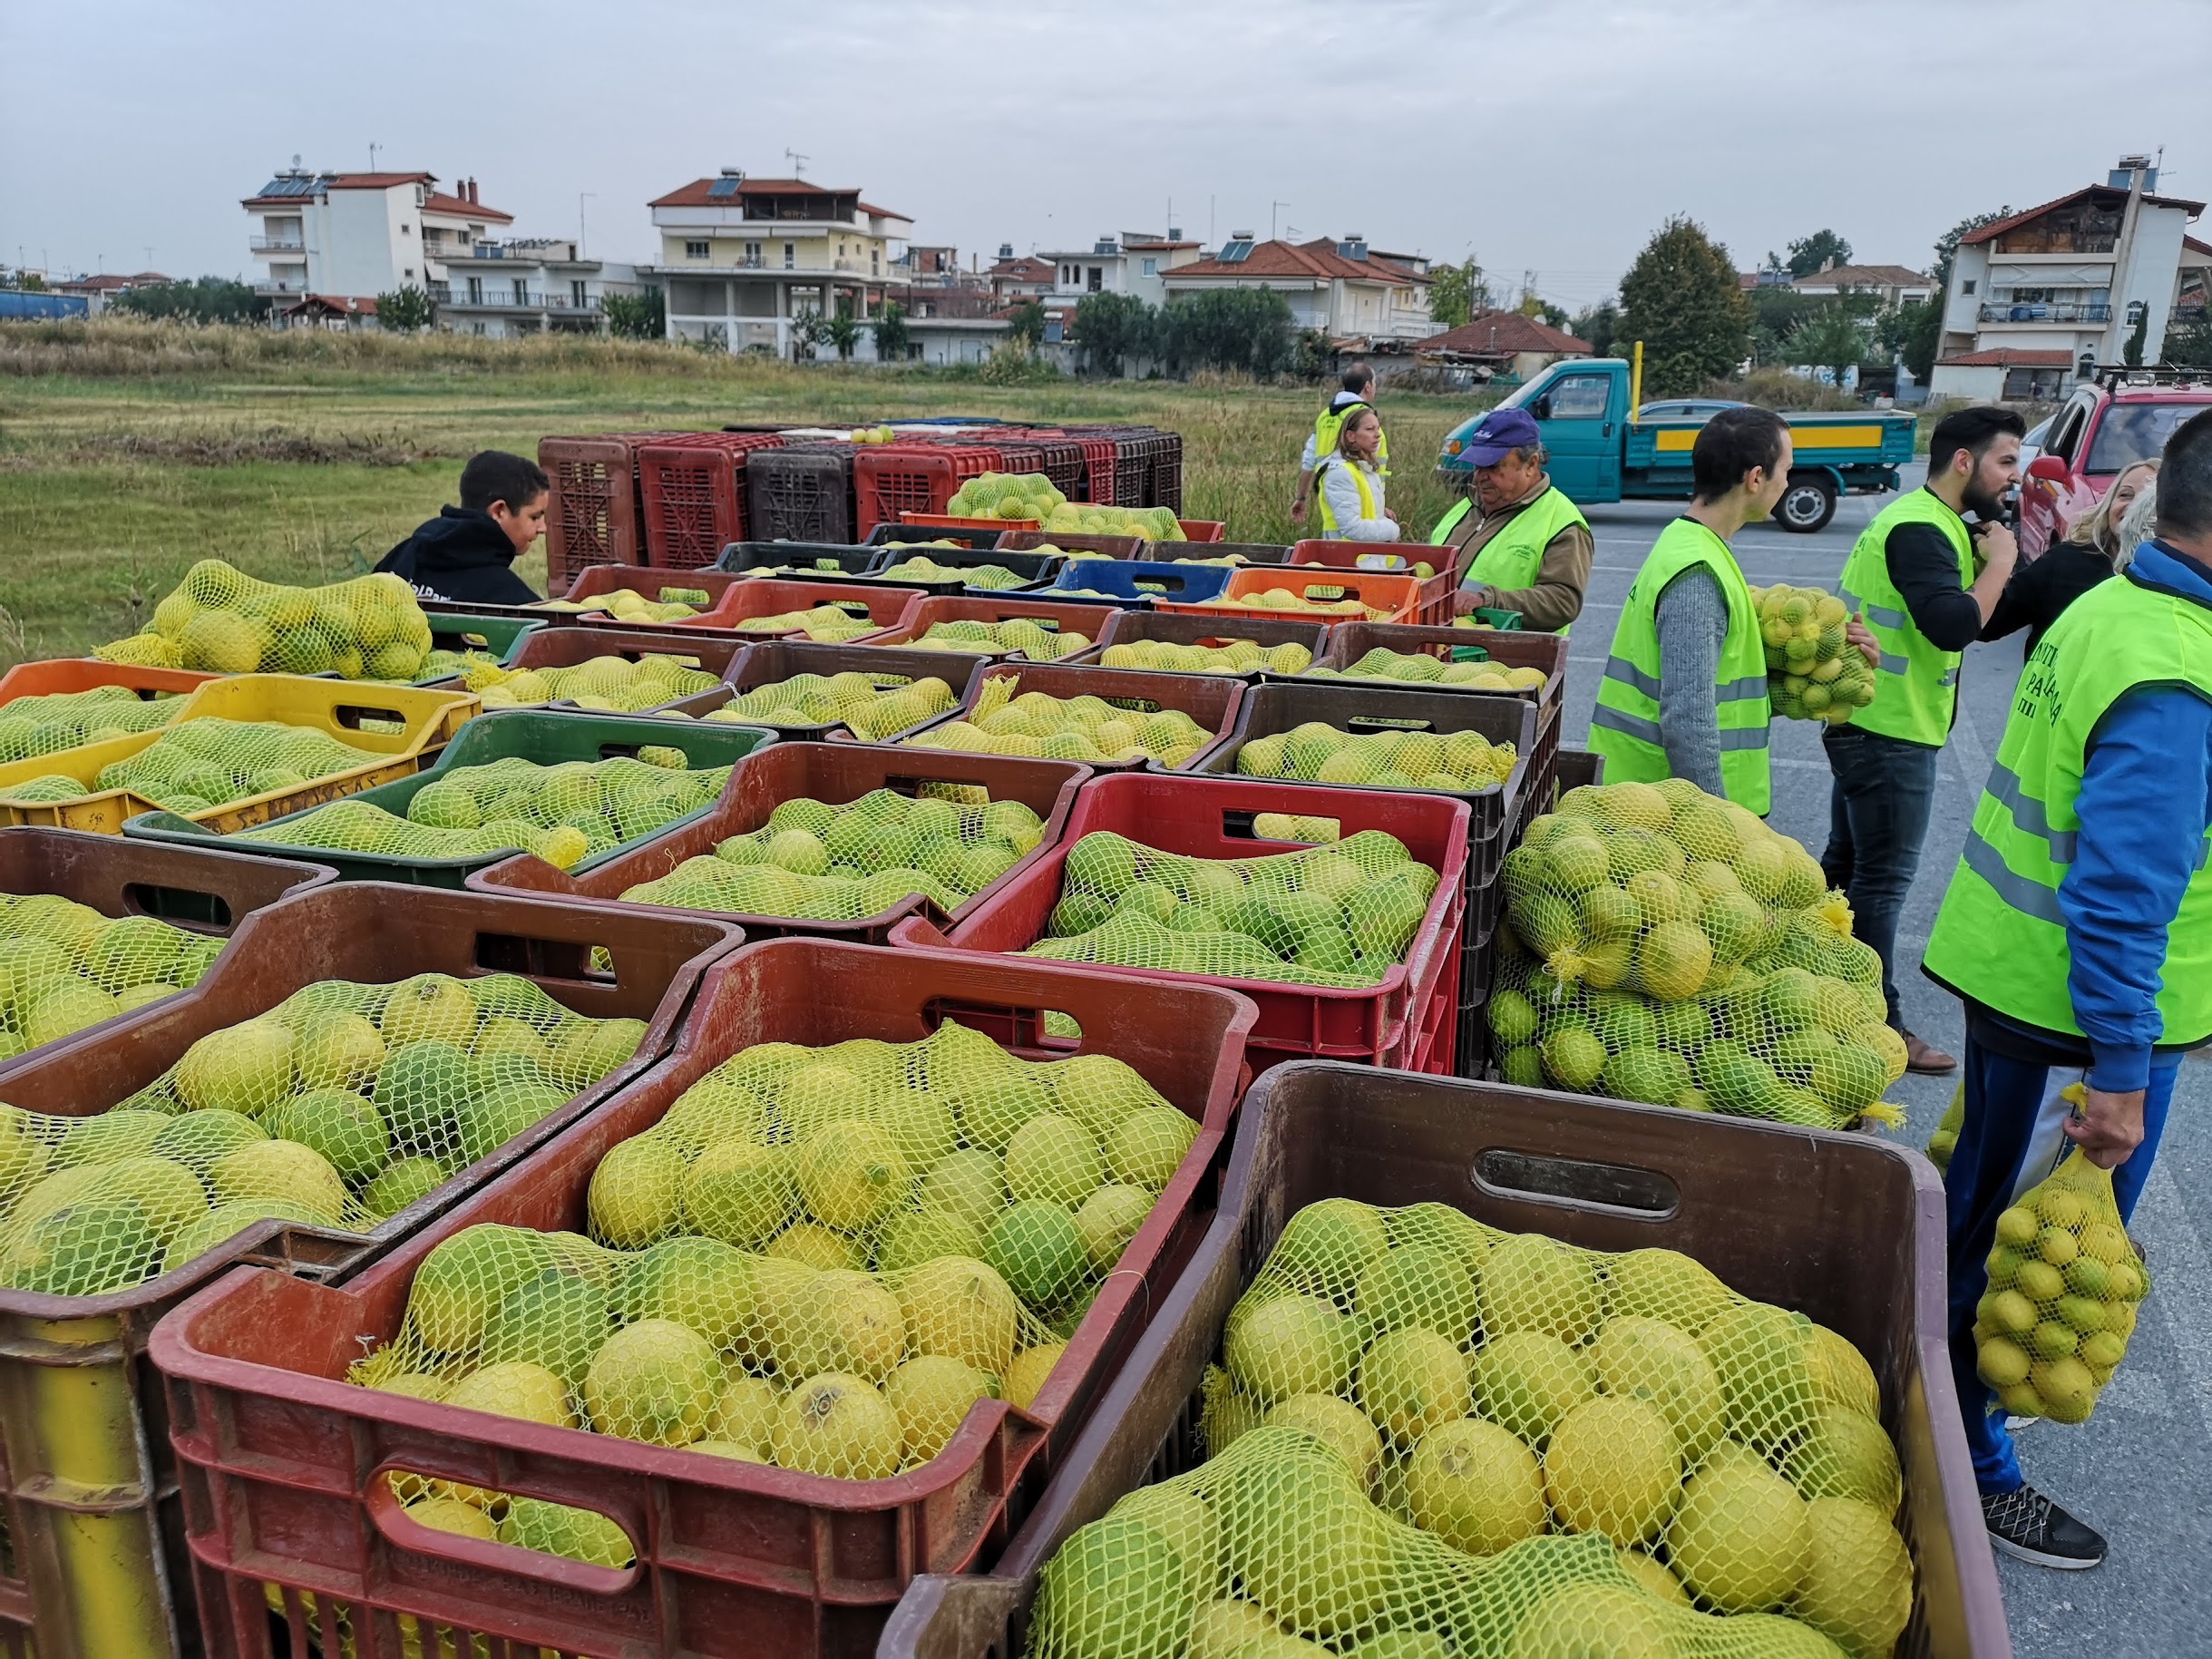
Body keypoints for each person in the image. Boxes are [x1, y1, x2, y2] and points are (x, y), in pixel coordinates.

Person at [1920, 406, 2212, 1572]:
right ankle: (1971, 1469)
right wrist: (2125, 1077)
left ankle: (1935, 1423)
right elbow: (2120, 891)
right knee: (2014, 1266)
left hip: (2026, 999)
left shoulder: (2113, 605)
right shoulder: (2175, 673)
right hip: (2075, 1026)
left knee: (1976, 1226)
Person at [1825, 407, 2024, 1077]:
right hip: (1888, 732)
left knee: (1845, 874)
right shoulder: (1918, 528)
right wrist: (1999, 561)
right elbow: (1949, 625)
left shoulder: (1928, 521)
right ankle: (1881, 1024)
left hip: (1876, 724)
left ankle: (1814, 984)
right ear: (1962, 461)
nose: (2012, 476)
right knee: (1879, 884)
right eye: (2005, 461)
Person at [1592, 407, 1876, 811]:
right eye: (1786, 471)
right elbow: (1688, 719)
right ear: (1755, 478)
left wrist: (1843, 664)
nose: (1788, 483)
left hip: (1655, 802)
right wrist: (1717, 826)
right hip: (1666, 815)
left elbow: (1726, 691)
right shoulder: (1698, 574)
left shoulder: (1689, 546)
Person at [1427, 405, 1592, 633]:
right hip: (1443, 653)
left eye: (1492, 466)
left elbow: (1563, 602)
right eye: (1477, 465)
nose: (1479, 476)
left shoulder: (1562, 522)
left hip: (1509, 663)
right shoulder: (1465, 507)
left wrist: (1487, 600)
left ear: (1531, 464)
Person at [1983, 460, 2157, 656]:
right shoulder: (2067, 561)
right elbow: (1987, 623)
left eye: (2148, 500)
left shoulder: (2176, 582)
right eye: (2125, 495)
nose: (2134, 506)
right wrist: (1994, 562)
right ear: (2107, 505)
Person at [376, 450, 549, 606]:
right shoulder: (509, 596)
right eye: (534, 517)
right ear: (499, 511)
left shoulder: (399, 557)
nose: (543, 528)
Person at [1291, 364, 1385, 525]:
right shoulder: (1366, 418)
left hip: (1326, 495)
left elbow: (1308, 462)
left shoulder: (1324, 417)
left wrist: (1301, 497)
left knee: (1333, 537)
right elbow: (1376, 461)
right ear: (1368, 386)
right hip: (1363, 498)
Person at [1312, 407, 1400, 542]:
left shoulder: (1364, 468)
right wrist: (1392, 530)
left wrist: (1379, 513)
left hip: (1366, 560)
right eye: (1370, 429)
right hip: (1345, 559)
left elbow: (1359, 509)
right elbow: (1352, 528)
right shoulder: (1340, 473)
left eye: (1378, 428)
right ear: (1351, 436)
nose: (1378, 435)